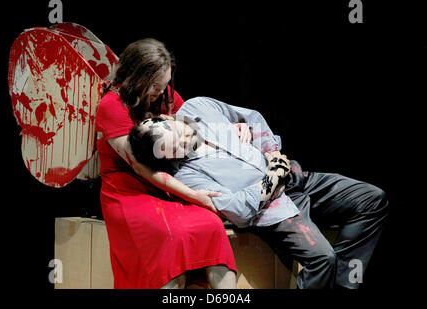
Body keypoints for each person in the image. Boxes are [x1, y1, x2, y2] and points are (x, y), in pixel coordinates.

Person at [129, 96, 390, 289]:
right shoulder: (185, 174)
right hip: (272, 208)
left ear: (166, 119)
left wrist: (272, 152)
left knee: (372, 199)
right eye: (176, 148)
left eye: (180, 136)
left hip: (293, 175)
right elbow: (237, 209)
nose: (185, 144)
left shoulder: (198, 106)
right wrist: (270, 179)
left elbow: (251, 118)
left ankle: (345, 285)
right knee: (323, 258)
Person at [95, 39, 238, 289]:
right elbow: (140, 167)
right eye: (155, 86)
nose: (160, 92)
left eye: (164, 85)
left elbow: (196, 129)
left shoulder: (166, 96)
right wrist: (196, 197)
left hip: (170, 184)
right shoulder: (111, 106)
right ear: (136, 77)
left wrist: (233, 128)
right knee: (171, 234)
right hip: (127, 190)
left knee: (213, 226)